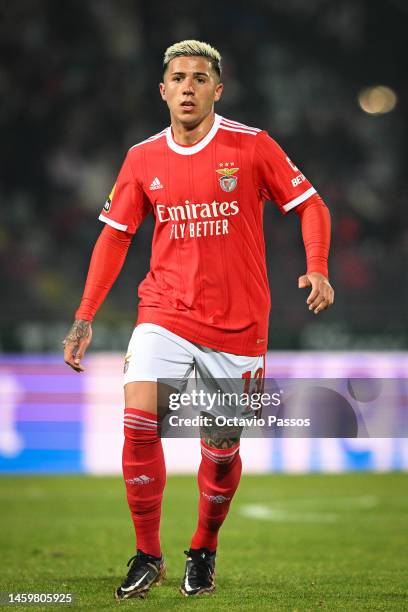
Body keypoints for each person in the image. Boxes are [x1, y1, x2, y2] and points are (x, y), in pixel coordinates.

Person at [63, 39, 334, 600]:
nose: (188, 87)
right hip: (163, 310)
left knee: (222, 444)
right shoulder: (142, 158)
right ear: (163, 91)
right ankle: (147, 554)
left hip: (239, 324)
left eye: (199, 78)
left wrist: (317, 268)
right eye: (179, 78)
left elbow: (311, 204)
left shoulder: (252, 146)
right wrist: (84, 317)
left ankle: (203, 550)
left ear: (218, 89)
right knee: (139, 419)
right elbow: (115, 238)